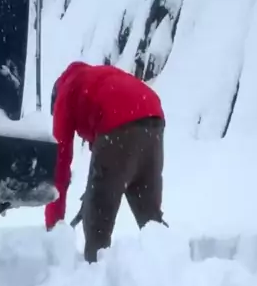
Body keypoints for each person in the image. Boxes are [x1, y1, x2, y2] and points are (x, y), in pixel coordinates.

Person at [45, 61, 166, 263]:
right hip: (153, 117)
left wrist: (53, 226)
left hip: (119, 123)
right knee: (151, 220)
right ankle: (170, 266)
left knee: (97, 223)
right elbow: (106, 154)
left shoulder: (66, 92)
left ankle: (94, 270)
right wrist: (93, 190)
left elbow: (59, 163)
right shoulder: (95, 78)